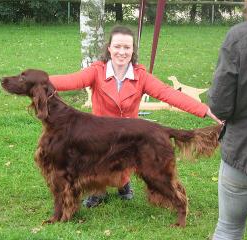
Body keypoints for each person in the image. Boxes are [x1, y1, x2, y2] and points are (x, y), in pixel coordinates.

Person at [49, 25, 221, 208]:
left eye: (126, 47)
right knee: (94, 159)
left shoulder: (141, 76)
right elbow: (71, 80)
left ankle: (123, 183)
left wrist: (204, 110)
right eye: (117, 47)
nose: (121, 52)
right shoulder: (97, 71)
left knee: (132, 153)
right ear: (109, 48)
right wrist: (37, 81)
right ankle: (97, 191)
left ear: (132, 50)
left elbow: (169, 93)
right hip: (99, 136)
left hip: (127, 137)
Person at [207, 0, 247, 238]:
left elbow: (220, 105)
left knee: (229, 228)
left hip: (243, 149)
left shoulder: (240, 35)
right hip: (245, 150)